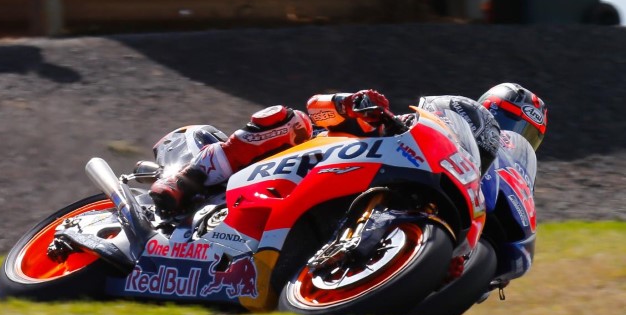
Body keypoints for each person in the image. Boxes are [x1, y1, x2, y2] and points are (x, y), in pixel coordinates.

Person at [149, 87, 530, 215]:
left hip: (327, 197)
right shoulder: (400, 126)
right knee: (289, 119)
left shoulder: (490, 172)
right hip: (292, 163)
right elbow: (318, 107)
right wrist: (351, 103)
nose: (513, 136)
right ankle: (187, 178)